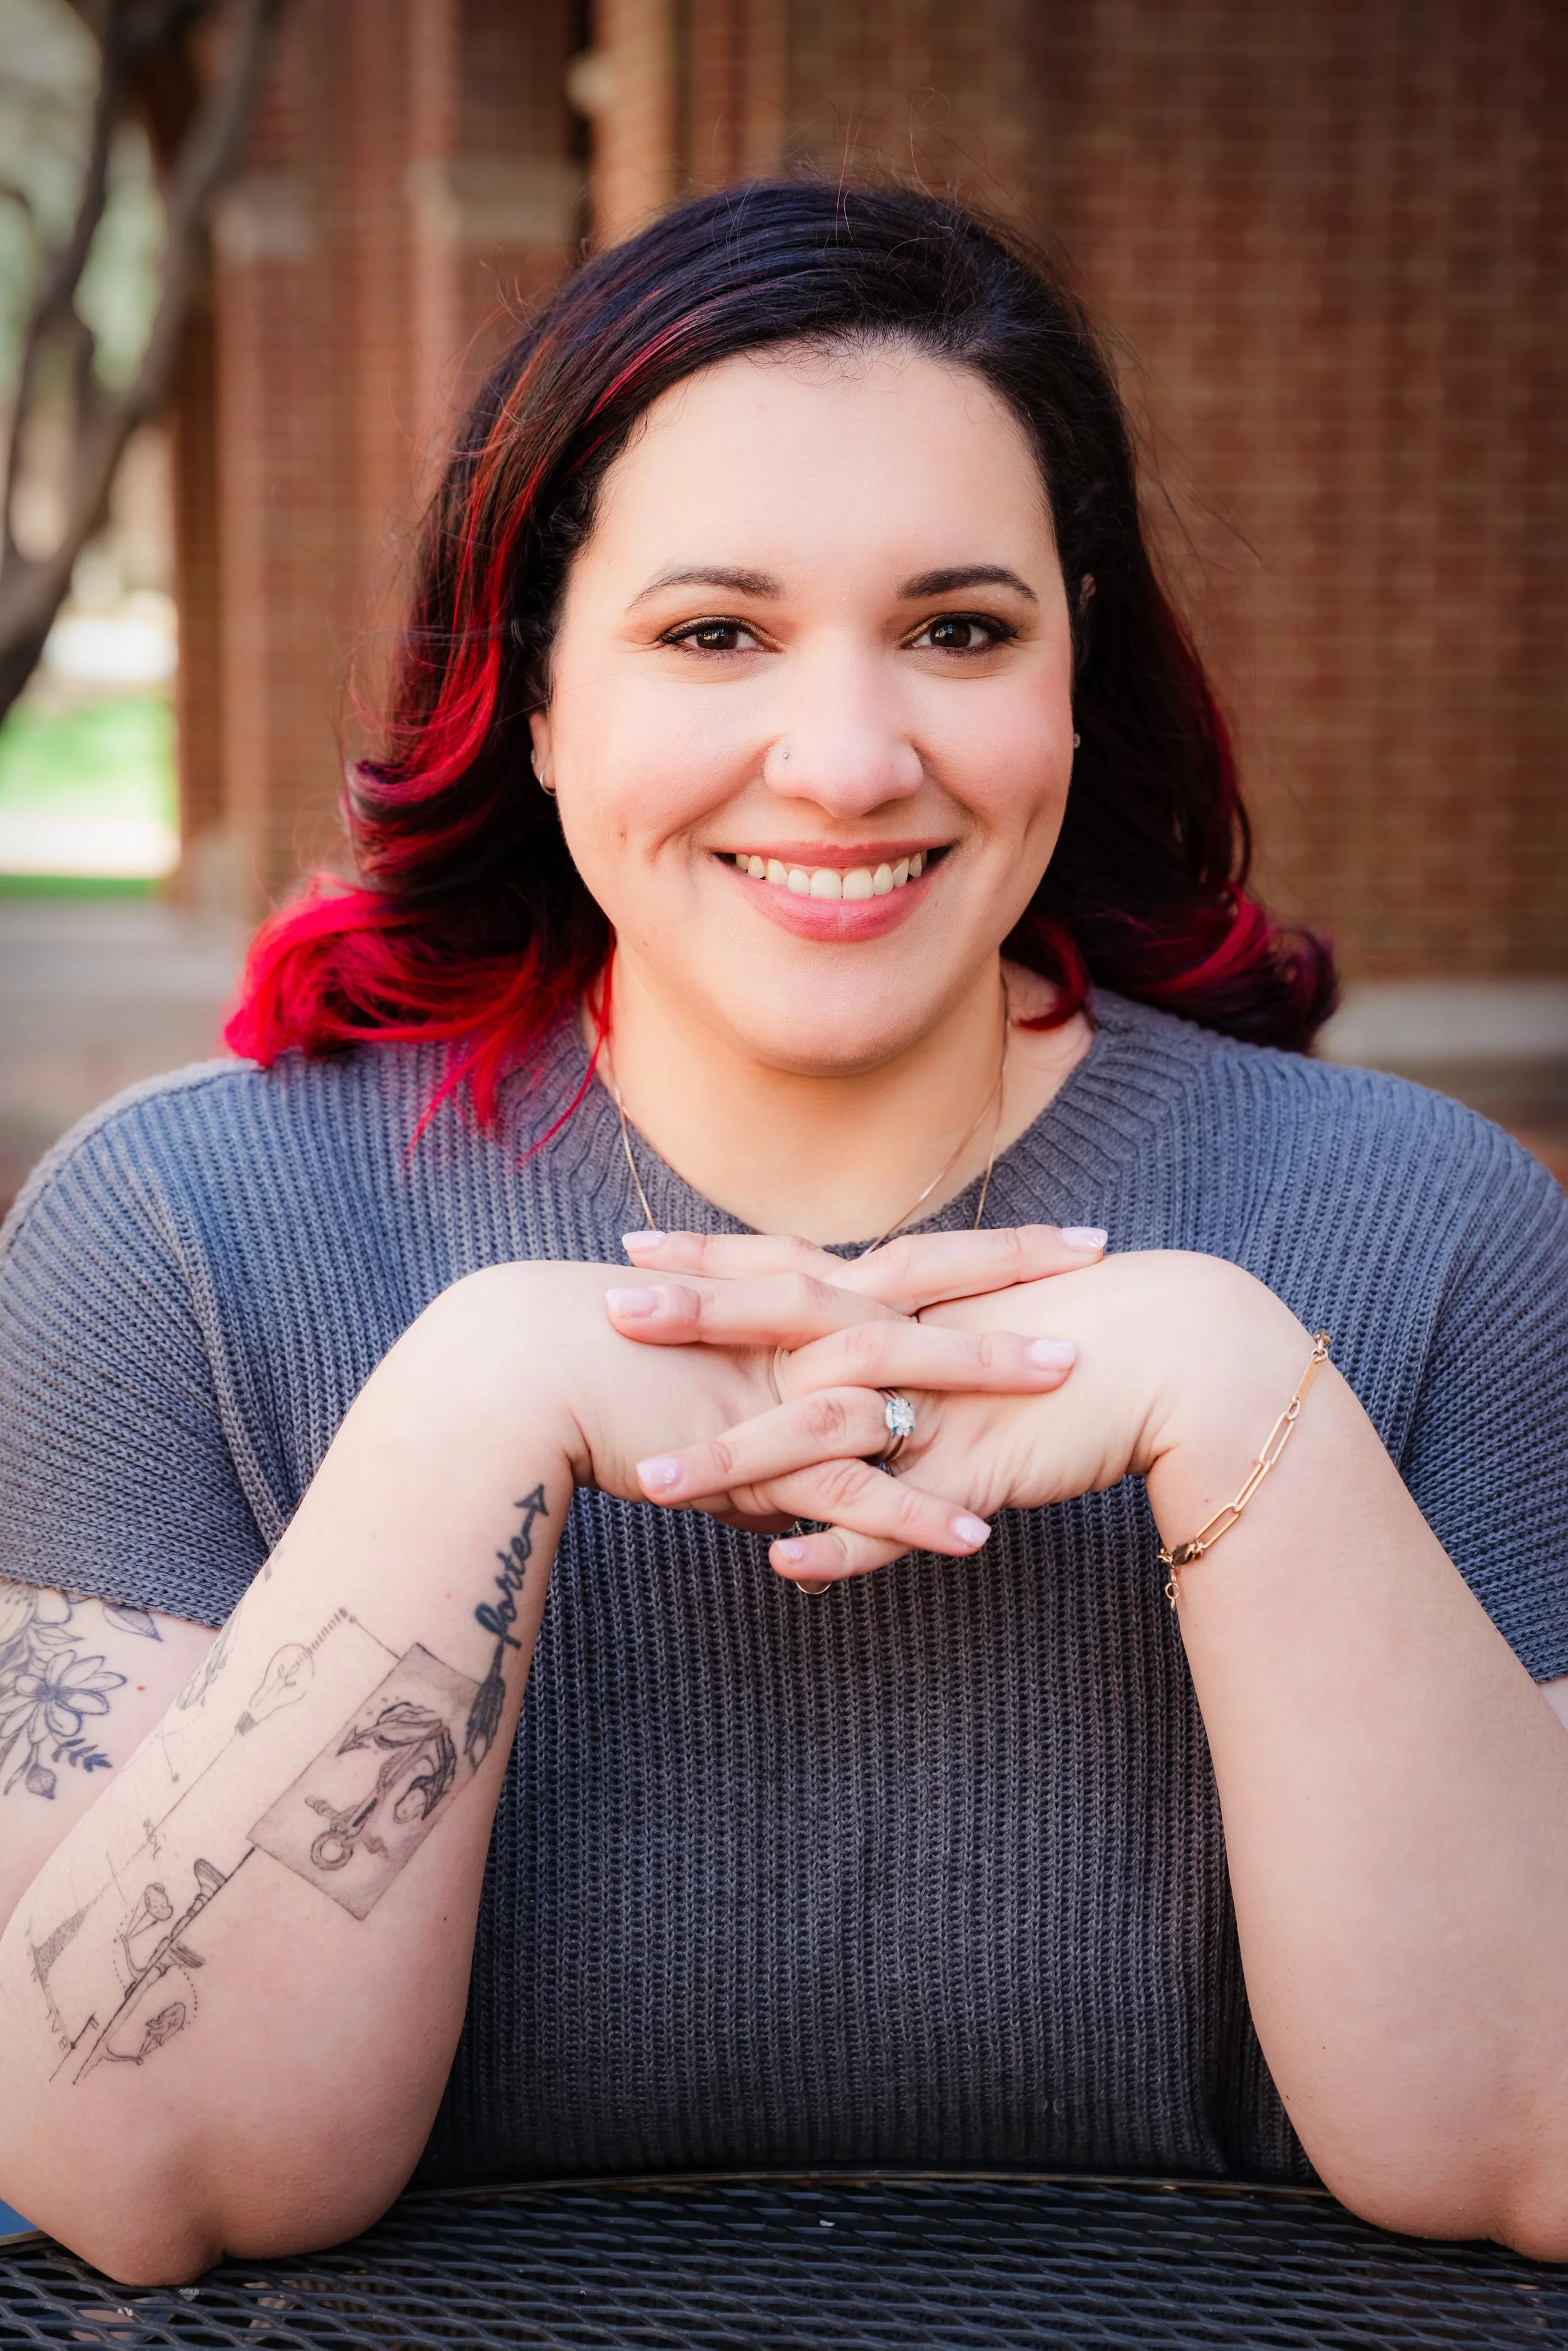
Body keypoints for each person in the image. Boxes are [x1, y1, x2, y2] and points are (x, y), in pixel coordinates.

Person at [1, 183, 1565, 2286]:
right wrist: (471, 1412)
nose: (843, 760)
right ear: (537, 695)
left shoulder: (1429, 1236)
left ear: (1074, 679)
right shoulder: (183, 1237)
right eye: (712, 631)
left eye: (959, 628)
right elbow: (146, 2179)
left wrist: (1234, 1401)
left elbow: (1529, 2144)